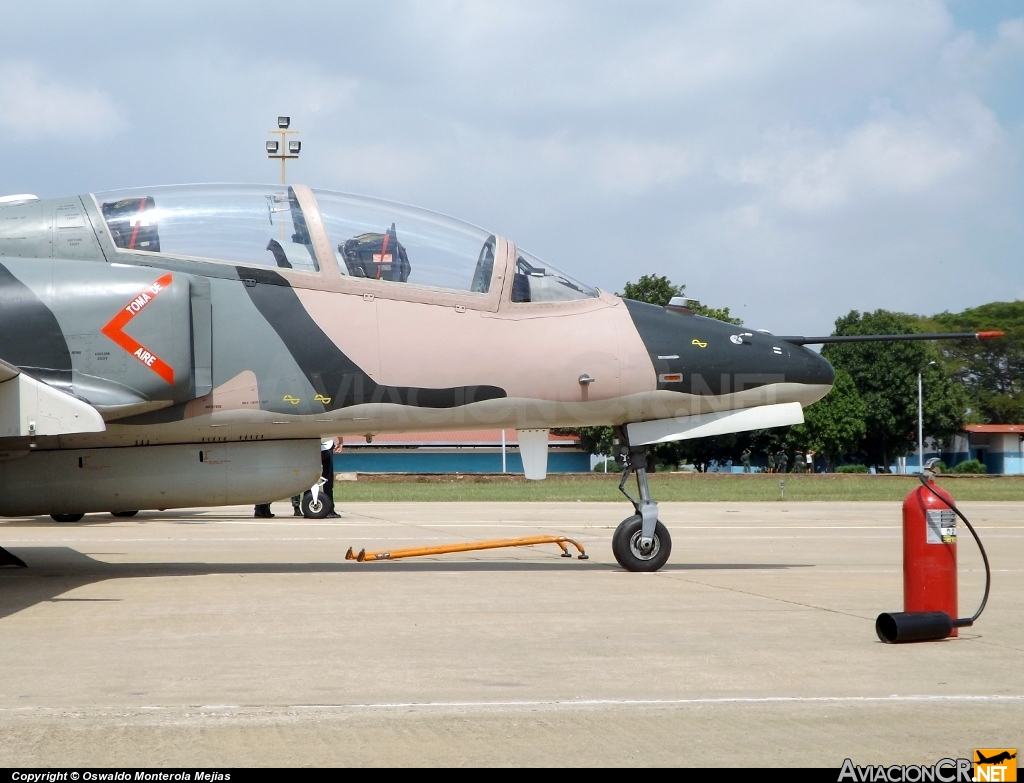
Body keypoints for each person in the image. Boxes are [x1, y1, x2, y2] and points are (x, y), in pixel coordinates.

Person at [321, 437, 341, 518]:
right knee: (328, 479)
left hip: (313, 444)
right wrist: (341, 442)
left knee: (308, 477)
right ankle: (330, 509)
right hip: (326, 445)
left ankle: (298, 508)